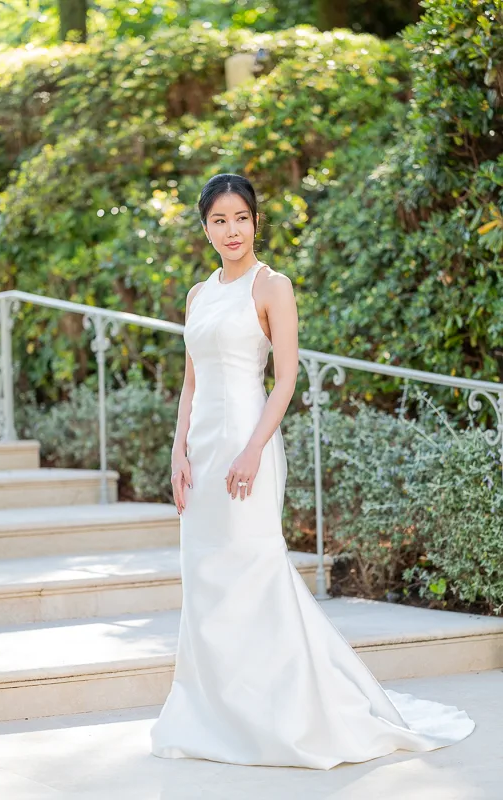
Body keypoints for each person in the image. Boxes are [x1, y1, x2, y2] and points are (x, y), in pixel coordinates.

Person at [150, 173, 474, 769]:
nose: (231, 231)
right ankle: (215, 711)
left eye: (240, 218)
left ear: (256, 222)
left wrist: (252, 449)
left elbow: (287, 378)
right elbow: (190, 381)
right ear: (205, 228)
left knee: (254, 568)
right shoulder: (198, 295)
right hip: (201, 446)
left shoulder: (272, 286)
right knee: (205, 576)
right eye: (218, 221)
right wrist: (177, 452)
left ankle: (287, 712)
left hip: (250, 439)